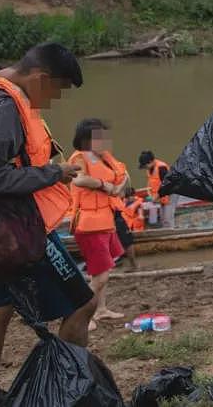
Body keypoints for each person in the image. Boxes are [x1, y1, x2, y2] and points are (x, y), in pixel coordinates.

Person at [0, 43, 96, 407]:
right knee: (82, 306)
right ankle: (69, 394)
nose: (52, 101)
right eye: (56, 91)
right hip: (14, 230)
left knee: (1, 308)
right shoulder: (5, 106)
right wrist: (54, 173)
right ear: (41, 78)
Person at [69, 118, 128, 331]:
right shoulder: (79, 157)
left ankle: (101, 310)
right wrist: (106, 185)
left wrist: (119, 185)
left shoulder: (104, 158)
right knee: (101, 276)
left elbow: (122, 179)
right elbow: (79, 180)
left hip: (106, 220)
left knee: (100, 272)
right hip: (89, 224)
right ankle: (80, 315)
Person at [138, 151, 175, 228]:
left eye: (145, 165)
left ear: (151, 161)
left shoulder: (162, 168)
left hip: (170, 194)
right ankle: (165, 231)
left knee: (167, 218)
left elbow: (167, 186)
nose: (145, 167)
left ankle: (170, 233)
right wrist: (150, 193)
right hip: (160, 196)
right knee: (162, 217)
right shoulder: (149, 168)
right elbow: (151, 183)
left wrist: (155, 197)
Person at [110, 187, 139, 271]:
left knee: (127, 242)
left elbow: (121, 193)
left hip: (116, 216)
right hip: (111, 216)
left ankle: (133, 265)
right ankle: (117, 260)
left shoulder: (110, 187)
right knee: (125, 241)